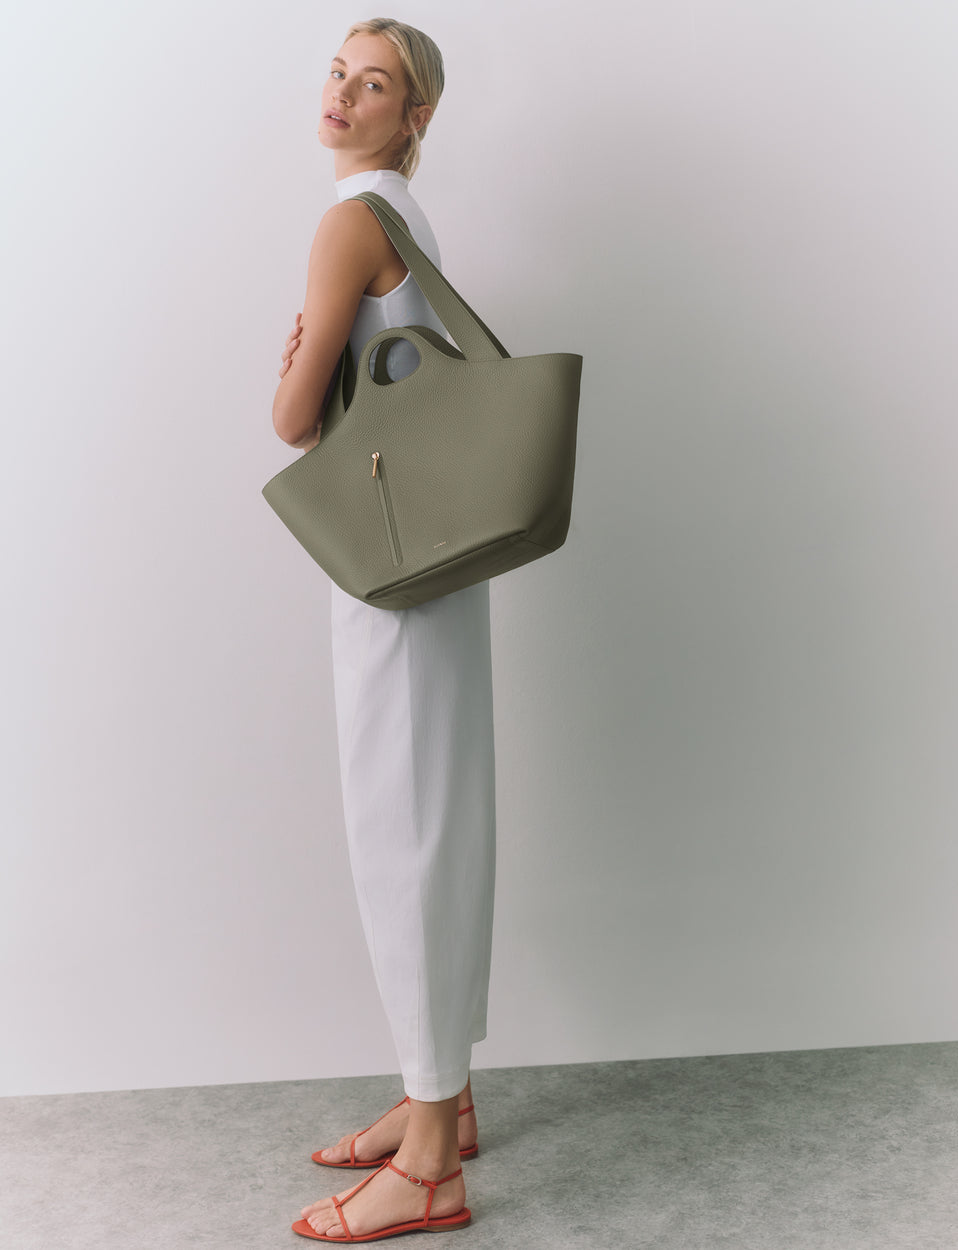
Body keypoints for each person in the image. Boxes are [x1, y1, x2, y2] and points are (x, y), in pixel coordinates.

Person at [271, 18, 495, 1243]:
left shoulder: (350, 219)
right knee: (445, 824)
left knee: (398, 832)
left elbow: (295, 416)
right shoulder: (410, 224)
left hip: (388, 577)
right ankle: (439, 1106)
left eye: (376, 85)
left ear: (415, 118)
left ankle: (431, 1161)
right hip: (445, 573)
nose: (345, 96)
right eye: (339, 74)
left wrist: (294, 368)